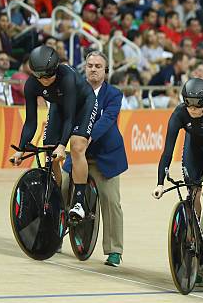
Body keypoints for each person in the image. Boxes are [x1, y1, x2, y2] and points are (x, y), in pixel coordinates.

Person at [9, 45, 97, 221]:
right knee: (50, 151)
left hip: (83, 104)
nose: (45, 80)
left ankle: (79, 202)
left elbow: (70, 118)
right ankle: (59, 198)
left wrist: (63, 145)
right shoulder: (31, 85)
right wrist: (21, 149)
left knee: (77, 146)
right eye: (40, 76)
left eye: (49, 75)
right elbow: (31, 121)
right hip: (58, 106)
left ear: (56, 68)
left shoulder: (67, 77)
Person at [62, 51, 128, 267]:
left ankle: (114, 250)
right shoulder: (75, 92)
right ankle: (57, 233)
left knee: (111, 200)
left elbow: (107, 120)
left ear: (105, 71)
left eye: (98, 66)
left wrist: (85, 137)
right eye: (90, 65)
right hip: (78, 153)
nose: (93, 69)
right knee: (61, 186)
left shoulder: (114, 94)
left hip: (104, 156)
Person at [152, 78, 203, 253]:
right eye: (190, 105)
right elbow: (167, 151)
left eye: (197, 106)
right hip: (194, 143)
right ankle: (195, 234)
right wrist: (160, 182)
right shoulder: (179, 113)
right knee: (192, 190)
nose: (193, 110)